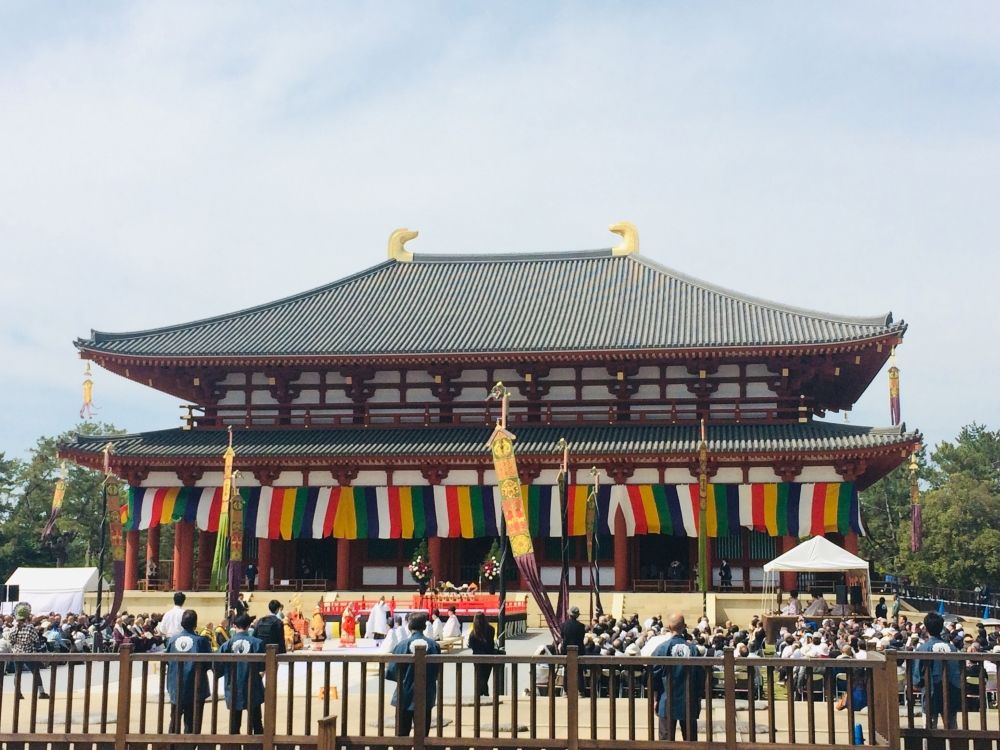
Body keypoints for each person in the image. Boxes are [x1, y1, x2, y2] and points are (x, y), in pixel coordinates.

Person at [386, 612, 441, 737]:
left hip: (404, 694)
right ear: (425, 626)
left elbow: (392, 671)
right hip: (426, 694)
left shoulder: (401, 645)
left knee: (402, 733)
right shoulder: (434, 646)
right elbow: (437, 671)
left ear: (409, 626)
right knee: (422, 734)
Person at [652, 612, 705, 741]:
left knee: (666, 740)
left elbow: (653, 675)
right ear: (685, 626)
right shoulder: (693, 649)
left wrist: (655, 697)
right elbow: (700, 676)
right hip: (689, 699)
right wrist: (698, 696)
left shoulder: (662, 649)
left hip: (666, 698)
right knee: (690, 740)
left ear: (669, 627)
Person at [214, 613, 265, 735]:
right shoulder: (258, 643)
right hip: (253, 686)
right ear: (249, 626)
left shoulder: (226, 645)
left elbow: (217, 668)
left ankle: (234, 745)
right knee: (257, 723)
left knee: (234, 724)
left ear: (234, 625)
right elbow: (263, 666)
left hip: (233, 686)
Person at [165, 609, 213, 734]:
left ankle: (172, 745)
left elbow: (166, 660)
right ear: (195, 624)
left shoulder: (172, 640)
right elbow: (209, 663)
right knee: (192, 723)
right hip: (195, 686)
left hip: (176, 685)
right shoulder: (201, 641)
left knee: (174, 720)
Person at [913, 611, 962, 729]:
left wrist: (917, 683)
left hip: (931, 692)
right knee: (952, 728)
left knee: (930, 729)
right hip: (951, 691)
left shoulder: (923, 648)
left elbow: (917, 678)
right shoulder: (952, 648)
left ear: (926, 628)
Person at [9, 602, 49, 700]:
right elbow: (36, 640)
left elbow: (11, 641)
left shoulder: (13, 628)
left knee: (17, 673)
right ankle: (41, 692)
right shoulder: (30, 627)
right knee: (35, 672)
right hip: (29, 652)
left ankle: (18, 693)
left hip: (17, 653)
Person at [466, 612, 496, 696]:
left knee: (479, 678)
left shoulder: (473, 633)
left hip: (477, 658)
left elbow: (471, 645)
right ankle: (484, 693)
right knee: (485, 677)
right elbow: (491, 643)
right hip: (489, 656)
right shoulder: (491, 629)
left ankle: (481, 694)